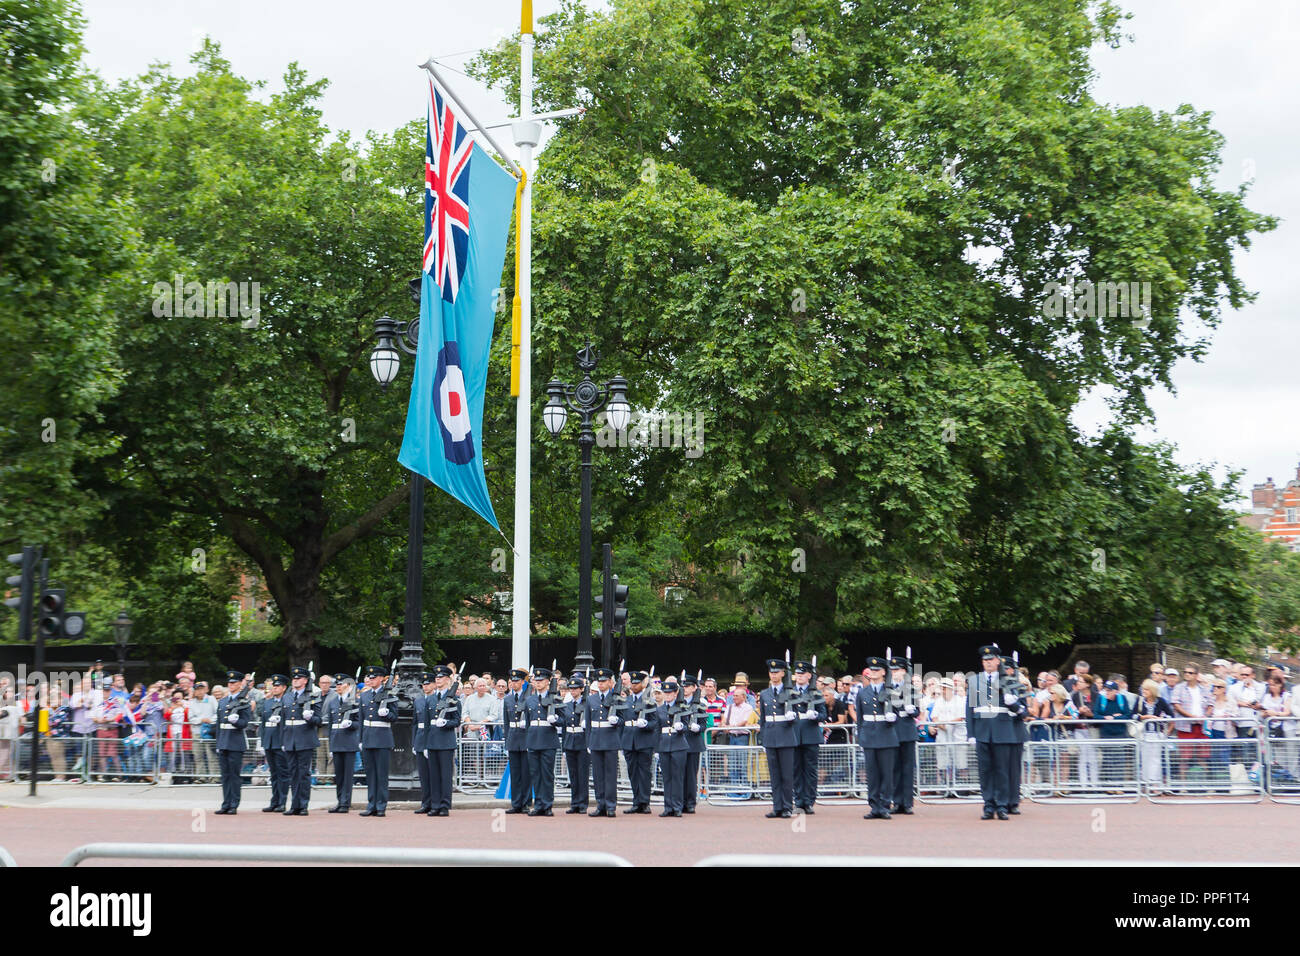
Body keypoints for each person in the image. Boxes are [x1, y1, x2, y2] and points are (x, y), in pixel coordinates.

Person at [966, 645, 1021, 820]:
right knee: (985, 771)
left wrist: (1012, 702)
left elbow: (1018, 708)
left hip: (1002, 729)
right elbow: (970, 709)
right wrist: (971, 733)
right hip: (982, 730)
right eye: (985, 660)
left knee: (1002, 771)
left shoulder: (1009, 679)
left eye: (990, 660)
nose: (987, 663)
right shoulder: (975, 680)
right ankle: (988, 805)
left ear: (998, 661)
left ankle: (1002, 805)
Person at [856, 656, 898, 819]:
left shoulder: (891, 691)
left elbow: (898, 713)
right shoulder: (862, 692)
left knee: (886, 774)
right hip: (869, 735)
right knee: (872, 774)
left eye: (876, 670)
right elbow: (860, 717)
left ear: (883, 672)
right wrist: (861, 736)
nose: (873, 673)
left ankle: (885, 805)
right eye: (871, 670)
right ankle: (874, 806)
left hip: (886, 734)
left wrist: (893, 718)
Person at [757, 659, 798, 818]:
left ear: (782, 673)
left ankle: (787, 806)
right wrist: (762, 737)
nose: (773, 675)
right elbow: (763, 719)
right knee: (774, 775)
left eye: (776, 672)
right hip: (771, 735)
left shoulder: (791, 692)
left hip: (786, 735)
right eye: (771, 672)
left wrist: (792, 716)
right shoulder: (765, 694)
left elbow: (797, 717)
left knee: (786, 775)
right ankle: (777, 806)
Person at [281, 665, 321, 815]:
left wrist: (310, 718)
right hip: (290, 739)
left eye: (299, 678)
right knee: (293, 773)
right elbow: (283, 723)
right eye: (294, 678)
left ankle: (303, 805)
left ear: (305, 680)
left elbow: (319, 720)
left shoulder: (312, 696)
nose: (295, 681)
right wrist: (282, 741)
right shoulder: (287, 696)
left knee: (303, 773)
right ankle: (294, 805)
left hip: (304, 739)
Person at [789, 661, 826, 814]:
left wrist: (816, 715)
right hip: (795, 734)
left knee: (810, 770)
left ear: (809, 676)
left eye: (802, 674)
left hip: (810, 734)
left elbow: (824, 714)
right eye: (797, 674)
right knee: (796, 770)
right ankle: (798, 800)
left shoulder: (816, 693)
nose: (799, 676)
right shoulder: (789, 692)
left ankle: (809, 801)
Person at [358, 665, 396, 816]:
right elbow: (361, 719)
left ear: (381, 679)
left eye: (374, 677)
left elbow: (394, 717)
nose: (371, 680)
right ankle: (371, 804)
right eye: (369, 677)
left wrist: (386, 713)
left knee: (381, 774)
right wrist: (360, 739)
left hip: (382, 738)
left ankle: (381, 806)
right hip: (368, 738)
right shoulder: (364, 696)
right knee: (370, 774)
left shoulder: (389, 695)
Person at [621, 669, 660, 813]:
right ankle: (636, 801)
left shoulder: (649, 700)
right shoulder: (627, 700)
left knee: (644, 772)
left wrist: (646, 725)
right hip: (629, 740)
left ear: (642, 685)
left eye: (637, 683)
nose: (634, 685)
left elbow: (654, 722)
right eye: (633, 683)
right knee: (633, 772)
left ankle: (644, 802)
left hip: (643, 740)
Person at [524, 666, 561, 815]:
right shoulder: (530, 699)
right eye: (536, 680)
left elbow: (563, 719)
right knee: (536, 774)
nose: (538, 683)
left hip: (548, 740)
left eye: (541, 681)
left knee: (547, 774)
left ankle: (547, 805)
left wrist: (556, 720)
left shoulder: (555, 697)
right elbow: (527, 722)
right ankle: (538, 804)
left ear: (547, 682)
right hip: (533, 739)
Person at [587, 667, 622, 817]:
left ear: (610, 682)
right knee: (598, 775)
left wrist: (617, 721)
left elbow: (624, 720)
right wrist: (588, 742)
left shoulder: (617, 698)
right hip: (595, 739)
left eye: (603, 681)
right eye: (598, 682)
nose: (600, 684)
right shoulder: (591, 699)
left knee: (610, 775)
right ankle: (600, 804)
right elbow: (588, 723)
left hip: (610, 739)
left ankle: (611, 805)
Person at [426, 664, 460, 816]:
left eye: (441, 678)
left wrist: (446, 723)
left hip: (446, 741)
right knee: (434, 776)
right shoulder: (431, 699)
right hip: (432, 740)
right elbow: (426, 723)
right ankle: (435, 805)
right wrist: (425, 744)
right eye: (436, 678)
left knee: (445, 776)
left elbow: (457, 721)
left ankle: (445, 805)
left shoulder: (453, 699)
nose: (438, 680)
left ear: (447, 680)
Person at [214, 671, 250, 814]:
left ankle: (234, 804)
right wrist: (218, 743)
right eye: (229, 682)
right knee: (225, 775)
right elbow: (218, 724)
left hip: (235, 742)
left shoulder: (244, 702)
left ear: (241, 684)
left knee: (234, 775)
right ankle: (225, 803)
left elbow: (245, 723)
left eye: (234, 682)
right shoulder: (222, 701)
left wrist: (236, 721)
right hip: (223, 741)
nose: (231, 685)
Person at [889, 655, 920, 815]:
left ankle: (907, 803)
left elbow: (917, 711)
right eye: (893, 670)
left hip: (907, 730)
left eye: (898, 670)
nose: (895, 673)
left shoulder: (912, 689)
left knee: (908, 768)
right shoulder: (886, 688)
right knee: (894, 769)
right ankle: (896, 801)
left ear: (904, 672)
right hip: (892, 730)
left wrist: (912, 710)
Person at [325, 674, 360, 812]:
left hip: (349, 741)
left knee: (347, 775)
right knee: (338, 775)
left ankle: (346, 802)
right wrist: (330, 743)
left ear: (348, 686)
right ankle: (340, 801)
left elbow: (359, 722)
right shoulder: (333, 701)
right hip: (336, 740)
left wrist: (351, 723)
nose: (338, 687)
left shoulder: (354, 702)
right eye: (337, 684)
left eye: (341, 684)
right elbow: (330, 725)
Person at [654, 678, 688, 817]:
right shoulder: (660, 709)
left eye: (670, 693)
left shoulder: (682, 707)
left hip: (678, 744)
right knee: (666, 777)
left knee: (677, 777)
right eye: (665, 693)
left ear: (675, 694)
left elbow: (687, 725)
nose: (667, 695)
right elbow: (657, 730)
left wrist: (681, 727)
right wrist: (656, 749)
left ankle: (678, 806)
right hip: (664, 744)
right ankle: (668, 806)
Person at [502, 667, 533, 814]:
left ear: (522, 682)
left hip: (525, 737)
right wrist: (506, 742)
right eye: (512, 681)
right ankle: (516, 803)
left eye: (516, 681)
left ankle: (526, 802)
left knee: (526, 774)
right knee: (515, 774)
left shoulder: (528, 697)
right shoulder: (507, 699)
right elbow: (506, 722)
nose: (513, 684)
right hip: (513, 738)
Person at [1093, 680, 1133, 791]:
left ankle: (1118, 786)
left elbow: (1128, 715)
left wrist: (1115, 718)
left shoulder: (1122, 699)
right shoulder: (1101, 699)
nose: (1107, 692)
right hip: (1106, 734)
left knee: (1119, 760)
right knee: (1108, 760)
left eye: (1109, 690)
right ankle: (1109, 786)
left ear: (1115, 691)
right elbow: (1095, 715)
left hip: (1120, 734)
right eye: (1105, 689)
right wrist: (1106, 718)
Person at [258, 674, 290, 812]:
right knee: (274, 774)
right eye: (274, 686)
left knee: (283, 773)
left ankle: (282, 801)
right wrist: (262, 740)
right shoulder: (268, 702)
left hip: (280, 741)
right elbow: (263, 723)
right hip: (269, 741)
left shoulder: (287, 702)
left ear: (284, 688)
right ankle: (274, 801)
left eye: (277, 686)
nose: (275, 688)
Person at [1136, 678, 1174, 793]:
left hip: (1157, 734)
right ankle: (1146, 783)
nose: (1144, 691)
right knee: (1145, 758)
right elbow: (1133, 716)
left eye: (1146, 689)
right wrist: (1145, 717)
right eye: (1143, 689)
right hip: (1144, 734)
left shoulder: (1160, 701)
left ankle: (1155, 783)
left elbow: (1171, 716)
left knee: (1156, 759)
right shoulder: (1140, 701)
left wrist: (1161, 719)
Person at [561, 671, 590, 814]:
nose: (572, 691)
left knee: (582, 774)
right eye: (571, 689)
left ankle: (583, 803)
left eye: (575, 688)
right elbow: (565, 727)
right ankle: (575, 802)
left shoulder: (587, 703)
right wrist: (564, 748)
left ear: (581, 689)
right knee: (573, 775)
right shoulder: (566, 705)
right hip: (570, 741)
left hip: (582, 741)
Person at [680, 673, 706, 813]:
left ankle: (690, 802)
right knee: (679, 774)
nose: (685, 688)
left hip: (693, 742)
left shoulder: (700, 704)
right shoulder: (678, 703)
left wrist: (698, 728)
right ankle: (680, 801)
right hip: (679, 740)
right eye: (683, 686)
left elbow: (704, 724)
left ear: (695, 688)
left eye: (688, 686)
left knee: (690, 774)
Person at [412, 671, 437, 814]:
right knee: (423, 775)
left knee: (433, 773)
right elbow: (414, 723)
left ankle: (435, 802)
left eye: (428, 683)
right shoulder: (418, 700)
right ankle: (425, 802)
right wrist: (413, 743)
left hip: (432, 738)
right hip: (420, 739)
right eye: (424, 684)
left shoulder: (436, 699)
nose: (425, 686)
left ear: (433, 684)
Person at [1070, 673, 1100, 792]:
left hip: (1092, 728)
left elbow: (1098, 713)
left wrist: (1089, 713)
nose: (1078, 683)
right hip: (1079, 729)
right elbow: (1071, 712)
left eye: (1081, 681)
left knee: (1093, 757)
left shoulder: (1096, 696)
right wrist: (1079, 711)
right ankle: (1083, 785)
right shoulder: (1074, 696)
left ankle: (1094, 784)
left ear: (1087, 684)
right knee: (1082, 756)